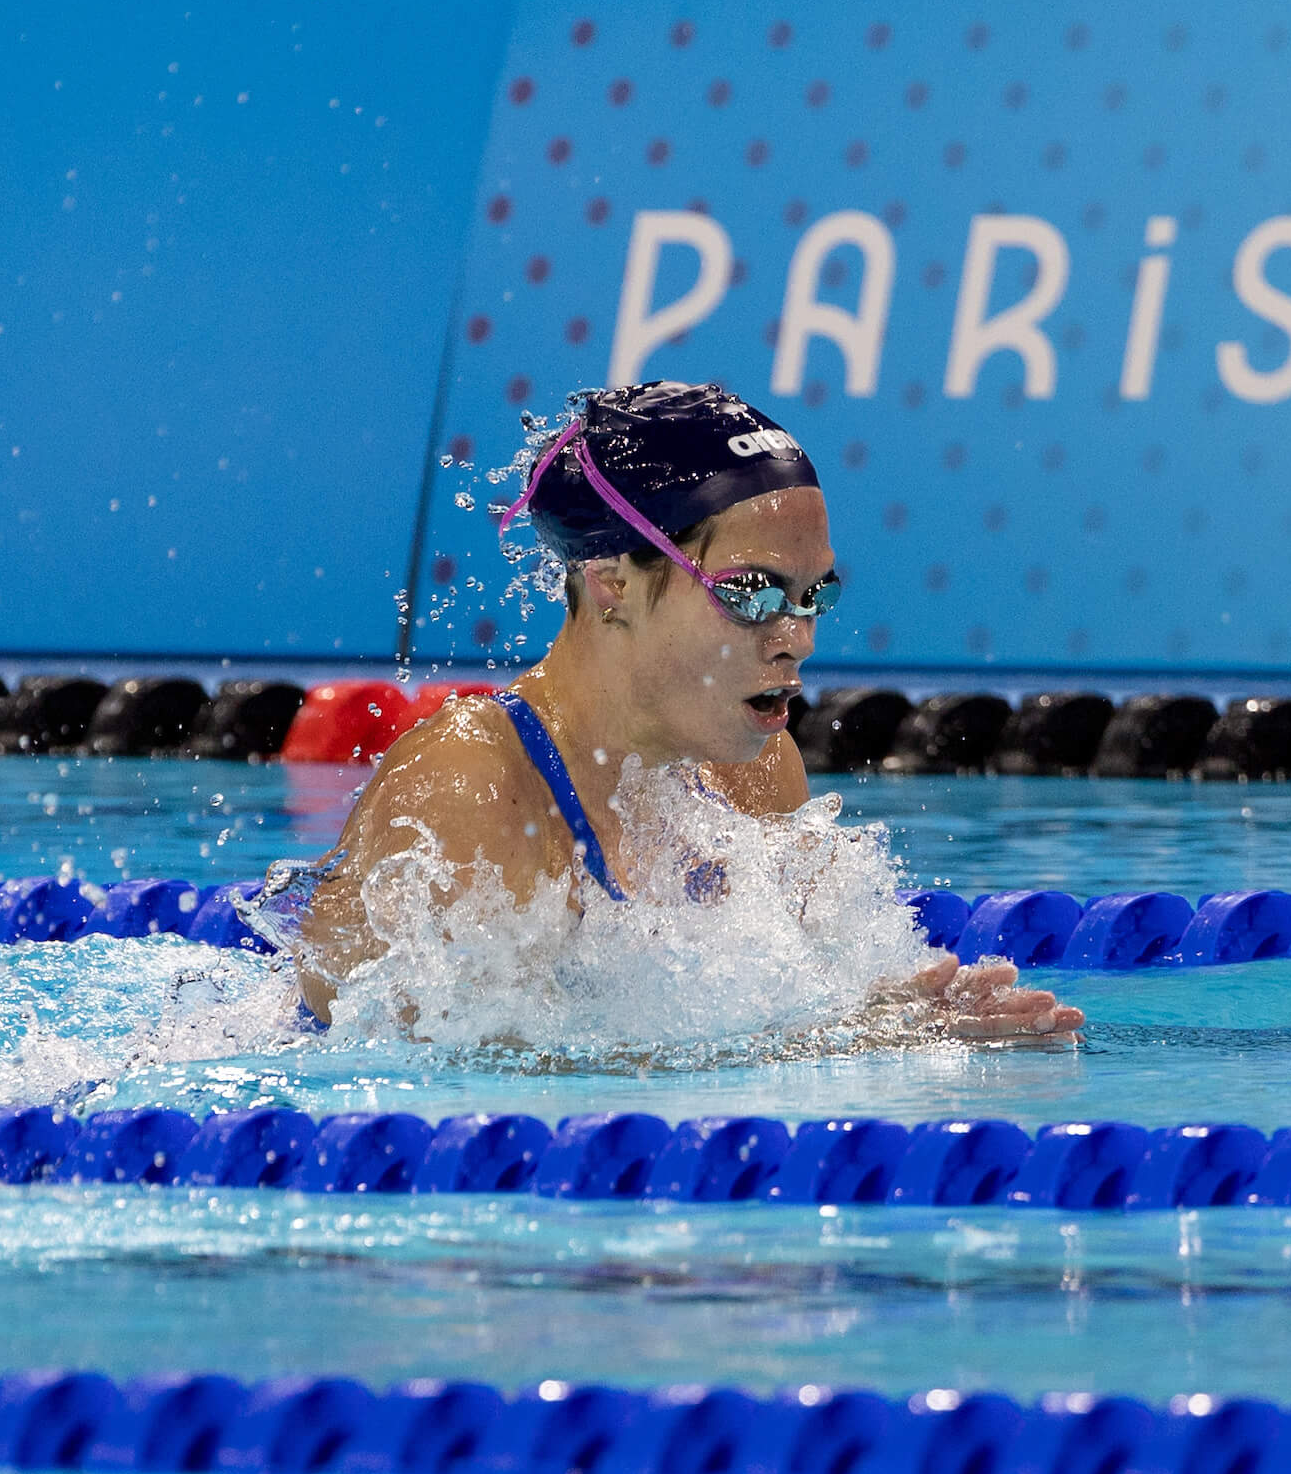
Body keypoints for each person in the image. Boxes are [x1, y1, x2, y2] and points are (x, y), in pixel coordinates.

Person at [293, 381, 1084, 1041]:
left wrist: (895, 1012)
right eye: (751, 594)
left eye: (816, 596)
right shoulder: (475, 789)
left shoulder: (753, 768)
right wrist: (855, 1042)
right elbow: (457, 1092)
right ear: (612, 581)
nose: (796, 639)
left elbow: (785, 1007)